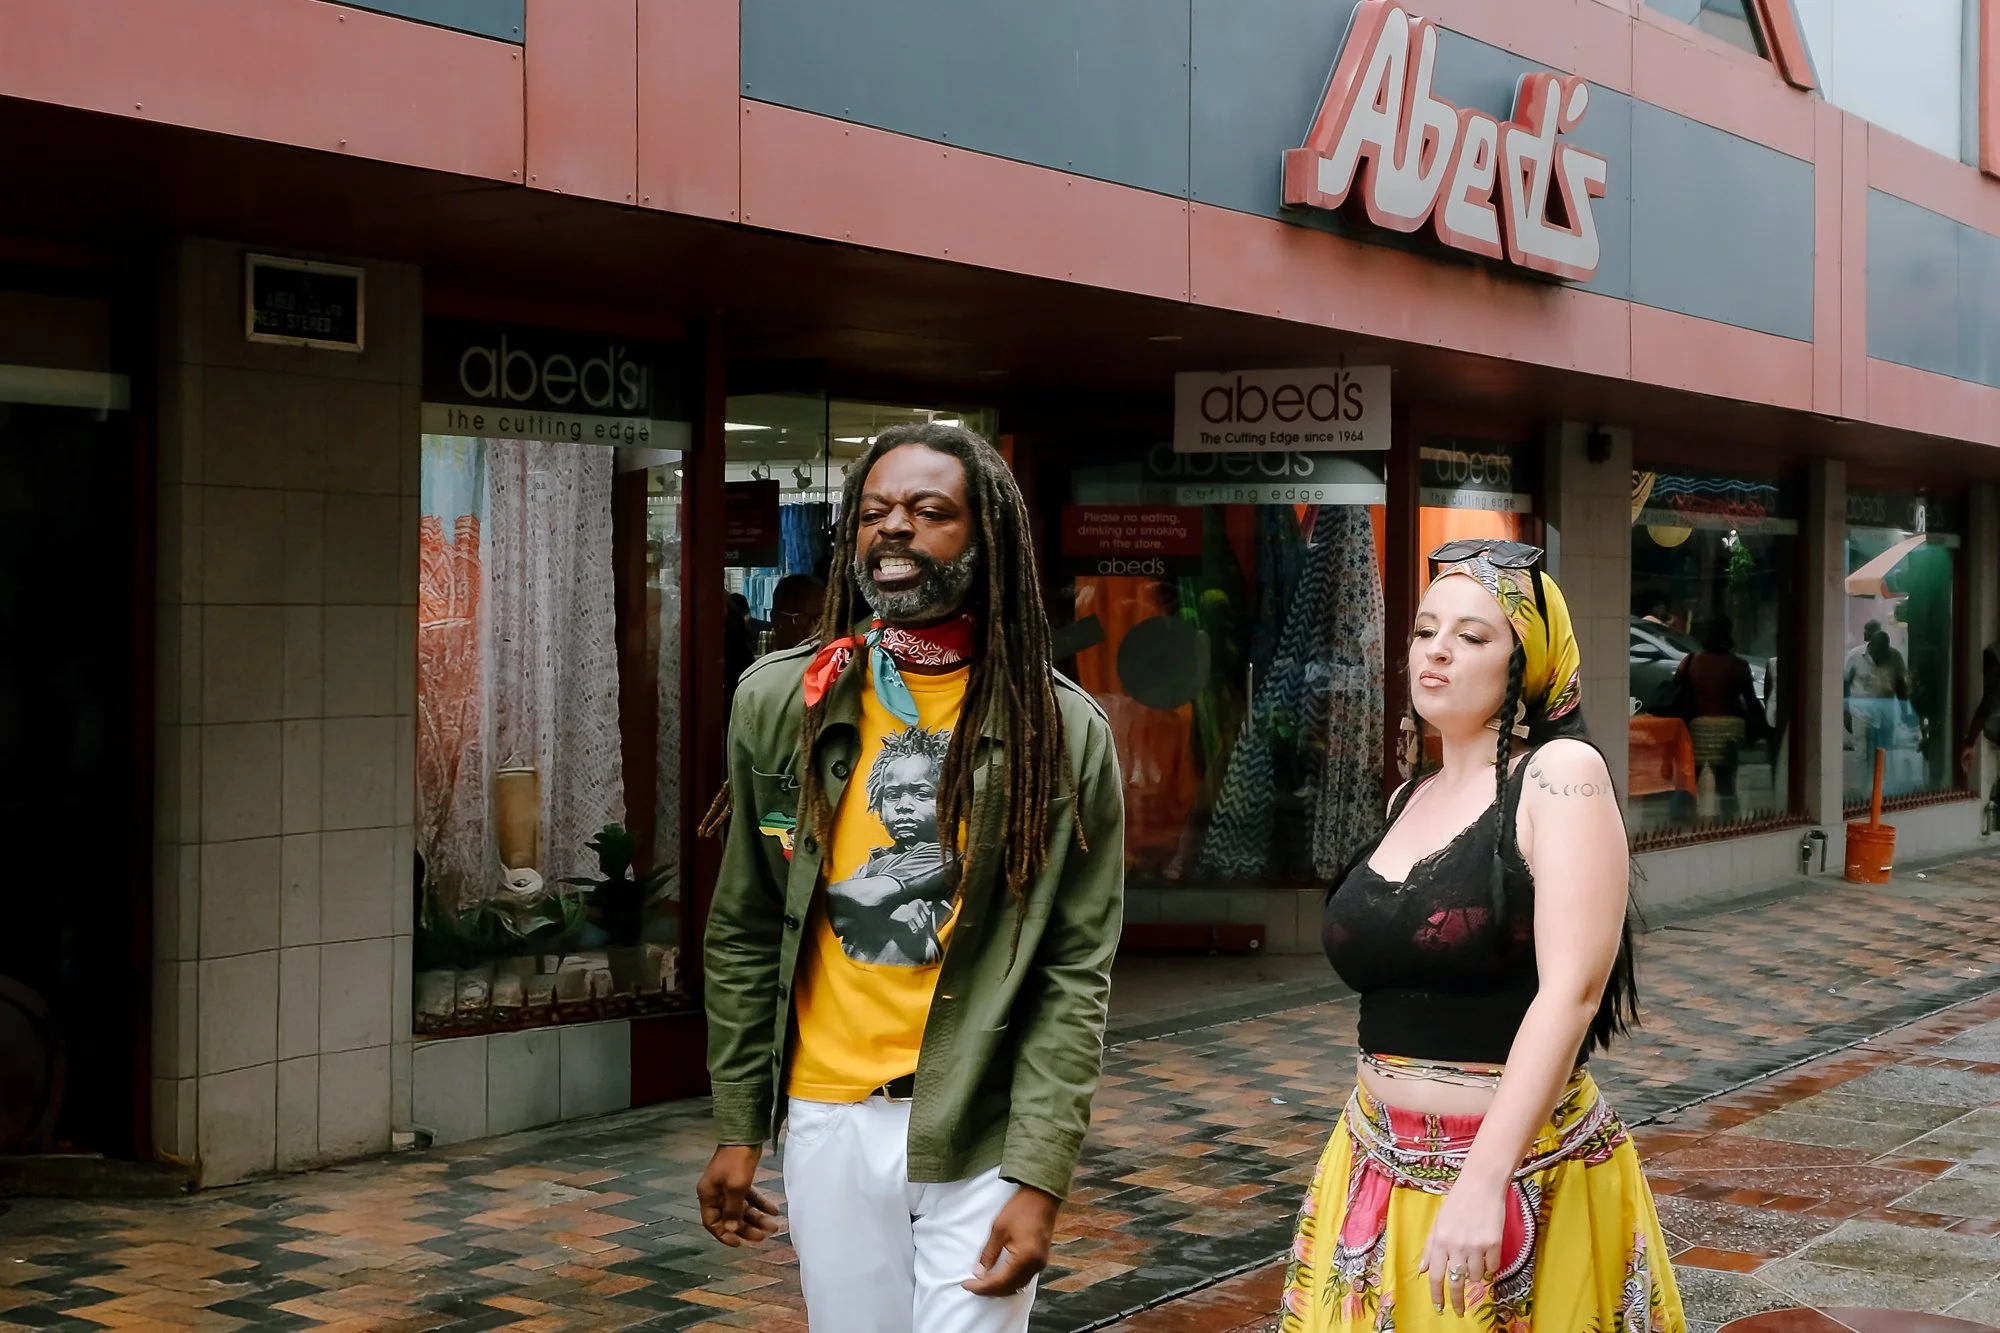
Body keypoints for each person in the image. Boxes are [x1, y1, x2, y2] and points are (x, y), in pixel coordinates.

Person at [697, 422, 1125, 1333]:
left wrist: (1040, 1173)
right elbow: (742, 925)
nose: (895, 528)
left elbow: (1073, 970)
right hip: (828, 1117)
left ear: (985, 539)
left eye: (931, 512)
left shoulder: (1062, 732)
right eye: (875, 511)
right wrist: (740, 1123)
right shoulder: (783, 703)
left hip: (977, 1125)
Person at [1285, 538, 1682, 1333]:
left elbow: (1572, 990)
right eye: (1426, 629)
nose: (1438, 650)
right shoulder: (1409, 795)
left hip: (1519, 1173)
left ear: (1526, 663)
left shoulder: (1561, 774)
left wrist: (1484, 1177)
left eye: (1472, 636)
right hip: (1372, 1157)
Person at [1674, 616, 1767, 813]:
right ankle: (1727, 822)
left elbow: (1677, 693)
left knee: (1690, 779)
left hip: (1697, 729)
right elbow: (1751, 701)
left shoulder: (1690, 662)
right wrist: (1762, 729)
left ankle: (1681, 822)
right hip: (1729, 730)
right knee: (1726, 782)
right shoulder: (1738, 665)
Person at [770, 572, 827, 652]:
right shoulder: (766, 664)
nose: (811, 629)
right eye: (801, 619)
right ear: (776, 619)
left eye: (819, 619)